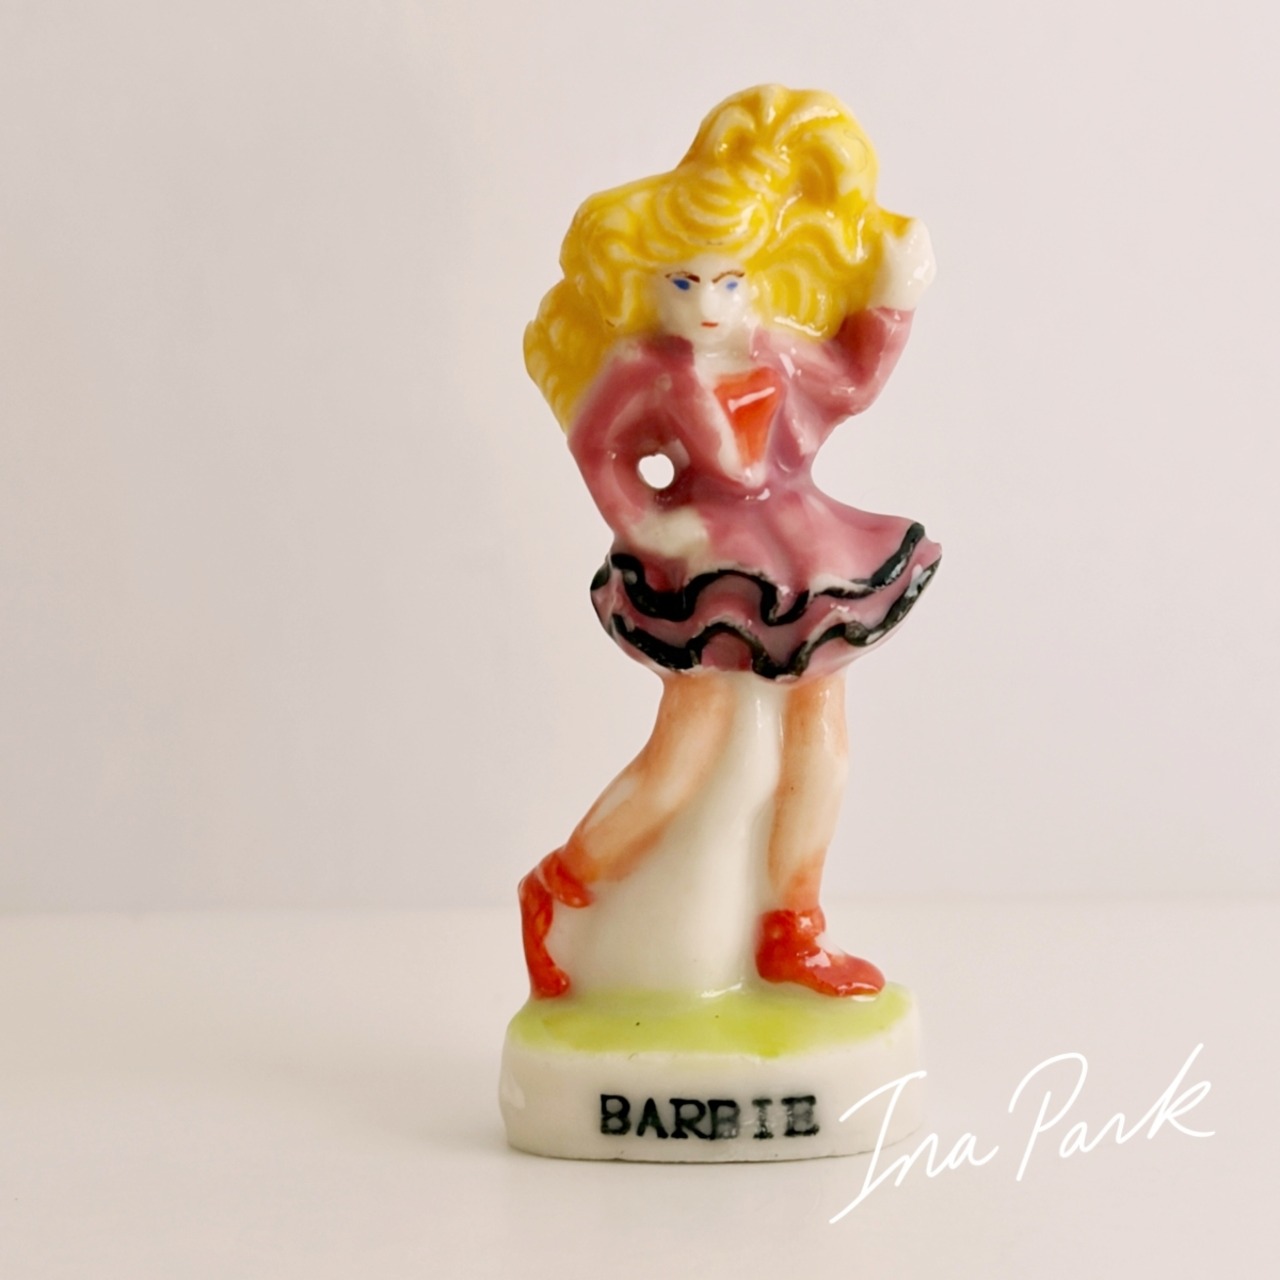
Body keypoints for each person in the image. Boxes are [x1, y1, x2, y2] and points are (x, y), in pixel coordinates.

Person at [520, 85, 940, 1000]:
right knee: (690, 751)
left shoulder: (774, 350)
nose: (711, 302)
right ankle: (562, 889)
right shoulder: (643, 367)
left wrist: (894, 298)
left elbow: (853, 383)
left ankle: (793, 927)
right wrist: (645, 522)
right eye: (684, 282)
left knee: (820, 744)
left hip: (800, 551)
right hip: (708, 566)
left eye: (730, 280)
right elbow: (599, 449)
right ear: (646, 283)